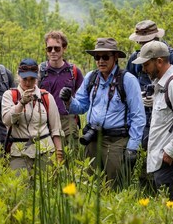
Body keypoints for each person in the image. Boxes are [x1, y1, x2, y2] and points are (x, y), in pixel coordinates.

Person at [60, 38, 146, 189]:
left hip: (116, 141)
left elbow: (138, 116)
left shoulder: (127, 80)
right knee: (90, 184)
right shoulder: (91, 78)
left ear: (115, 57)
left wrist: (132, 147)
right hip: (92, 139)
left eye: (105, 57)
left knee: (115, 186)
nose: (101, 61)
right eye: (97, 57)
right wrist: (69, 100)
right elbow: (80, 107)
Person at [132, 40, 173, 199]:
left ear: (159, 62)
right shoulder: (161, 85)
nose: (143, 69)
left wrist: (169, 152)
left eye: (146, 64)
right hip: (165, 164)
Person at [127, 20, 173, 190]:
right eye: (140, 42)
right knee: (142, 154)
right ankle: (146, 189)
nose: (141, 46)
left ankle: (165, 190)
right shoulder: (136, 58)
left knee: (164, 156)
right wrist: (139, 98)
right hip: (143, 115)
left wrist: (159, 96)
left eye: (146, 42)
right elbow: (129, 82)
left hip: (166, 114)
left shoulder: (171, 57)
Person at [2, 58, 63, 172]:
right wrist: (21, 104)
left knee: (45, 187)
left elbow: (56, 128)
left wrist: (59, 152)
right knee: (21, 188)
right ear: (18, 76)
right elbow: (7, 121)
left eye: (32, 79)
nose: (28, 83)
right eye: (25, 79)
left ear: (37, 78)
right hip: (19, 152)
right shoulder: (9, 95)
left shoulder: (46, 96)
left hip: (45, 150)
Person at [38, 30, 84, 144]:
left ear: (64, 48)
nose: (53, 51)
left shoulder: (74, 71)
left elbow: (82, 98)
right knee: (49, 157)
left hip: (68, 120)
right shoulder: (40, 71)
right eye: (49, 49)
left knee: (70, 156)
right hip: (45, 120)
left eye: (57, 48)